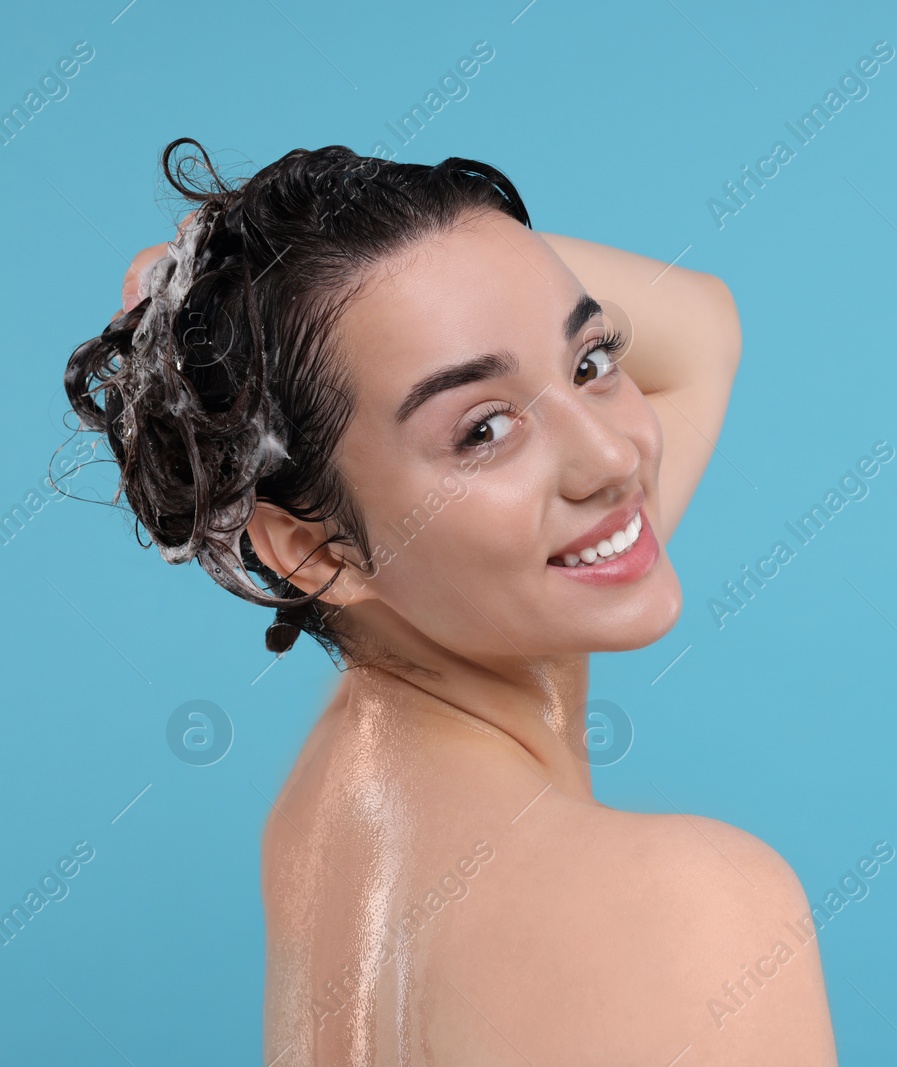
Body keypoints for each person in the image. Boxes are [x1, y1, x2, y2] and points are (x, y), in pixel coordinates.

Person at [65, 139, 837, 1065]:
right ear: (315, 549)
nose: (615, 458)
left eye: (592, 360)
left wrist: (239, 296)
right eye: (484, 430)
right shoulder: (688, 909)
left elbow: (703, 329)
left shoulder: (332, 812)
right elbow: (702, 331)